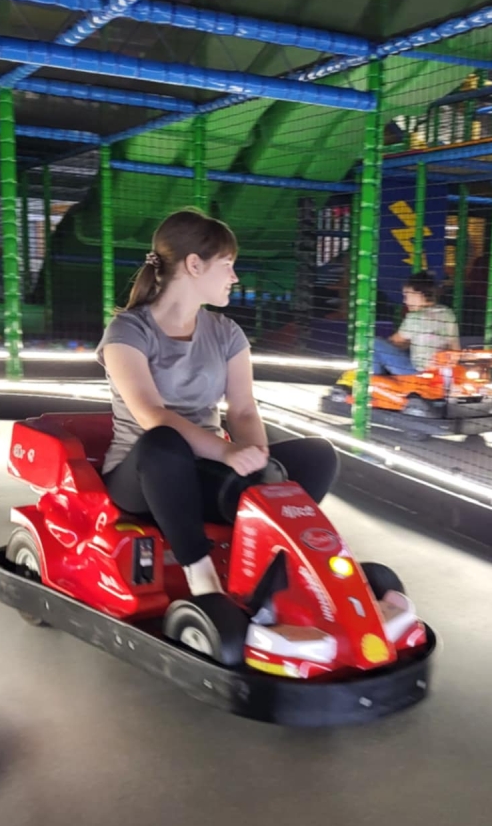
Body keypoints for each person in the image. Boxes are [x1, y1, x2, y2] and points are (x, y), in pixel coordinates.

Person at [97, 209, 338, 597]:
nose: (234, 277)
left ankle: (270, 564)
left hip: (206, 470)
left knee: (318, 455)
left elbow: (242, 410)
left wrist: (258, 462)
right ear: (194, 265)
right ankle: (201, 576)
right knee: (163, 442)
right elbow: (151, 414)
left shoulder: (227, 333)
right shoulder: (128, 330)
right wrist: (227, 452)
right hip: (145, 476)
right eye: (227, 265)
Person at [372, 271, 459, 376]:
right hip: (442, 373)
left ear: (418, 294)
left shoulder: (415, 317)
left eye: (406, 296)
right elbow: (454, 345)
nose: (405, 301)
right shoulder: (447, 313)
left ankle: (374, 379)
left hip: (417, 373)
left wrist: (385, 344)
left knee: (374, 343)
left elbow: (394, 342)